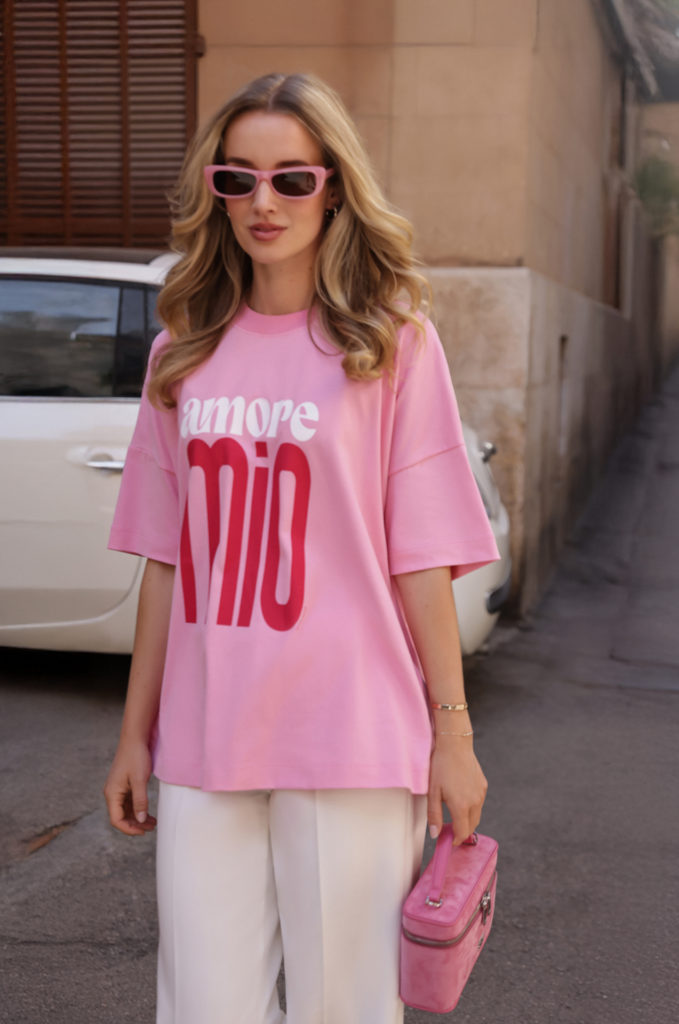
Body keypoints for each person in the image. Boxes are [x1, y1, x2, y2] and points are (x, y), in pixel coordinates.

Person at [103, 71, 500, 1024]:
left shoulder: (391, 344)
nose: (263, 202)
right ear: (214, 192)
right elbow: (166, 560)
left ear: (333, 187)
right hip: (206, 731)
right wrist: (134, 734)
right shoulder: (181, 351)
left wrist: (453, 737)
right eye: (236, 179)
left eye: (291, 178)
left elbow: (421, 559)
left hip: (352, 732)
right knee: (203, 1009)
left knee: (344, 1009)